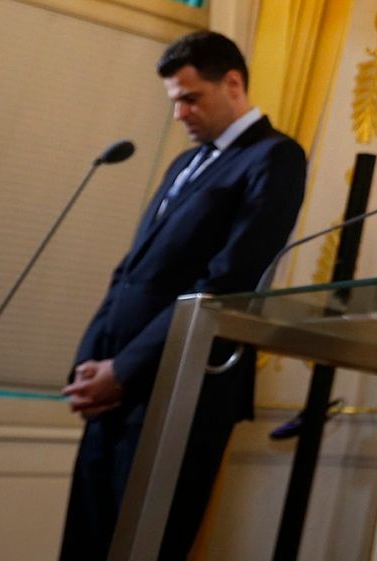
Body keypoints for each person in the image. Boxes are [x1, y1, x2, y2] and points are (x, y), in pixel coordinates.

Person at [59, 31, 307, 561]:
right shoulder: (183, 164)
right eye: (175, 100)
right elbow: (132, 272)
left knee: (143, 547)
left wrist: (124, 371)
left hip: (181, 386)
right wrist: (92, 364)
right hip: (117, 390)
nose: (180, 114)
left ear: (233, 83)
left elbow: (226, 282)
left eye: (190, 98)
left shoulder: (274, 157)